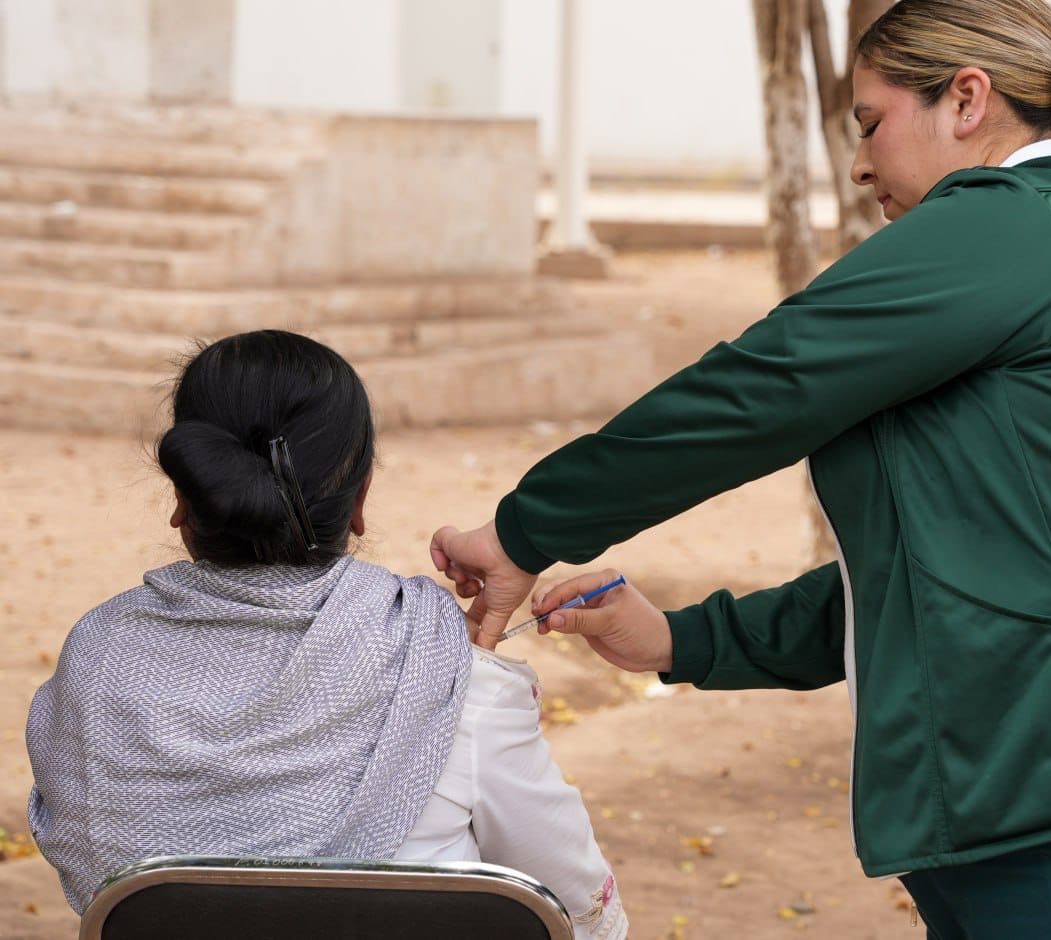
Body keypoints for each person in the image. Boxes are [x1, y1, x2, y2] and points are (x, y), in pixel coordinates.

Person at [431, 0, 1051, 939]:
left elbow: (764, 383)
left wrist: (524, 529)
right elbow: (945, 574)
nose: (860, 167)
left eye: (871, 124)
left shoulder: (1011, 224)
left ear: (966, 100)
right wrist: (681, 641)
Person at [26, 330, 626, 939]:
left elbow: (87, 857)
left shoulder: (97, 664)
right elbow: (581, 911)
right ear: (360, 499)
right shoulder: (455, 680)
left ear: (185, 494)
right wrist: (462, 679)